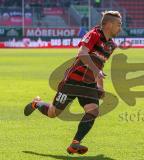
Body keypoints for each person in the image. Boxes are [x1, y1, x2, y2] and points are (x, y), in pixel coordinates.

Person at [24, 11, 122, 154]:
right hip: (72, 82)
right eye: (119, 24)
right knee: (53, 113)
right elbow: (82, 53)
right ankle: (36, 103)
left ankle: (75, 143)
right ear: (109, 24)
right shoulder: (94, 34)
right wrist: (95, 71)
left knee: (93, 111)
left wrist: (100, 86)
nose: (120, 28)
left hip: (88, 84)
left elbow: (100, 66)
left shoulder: (111, 45)